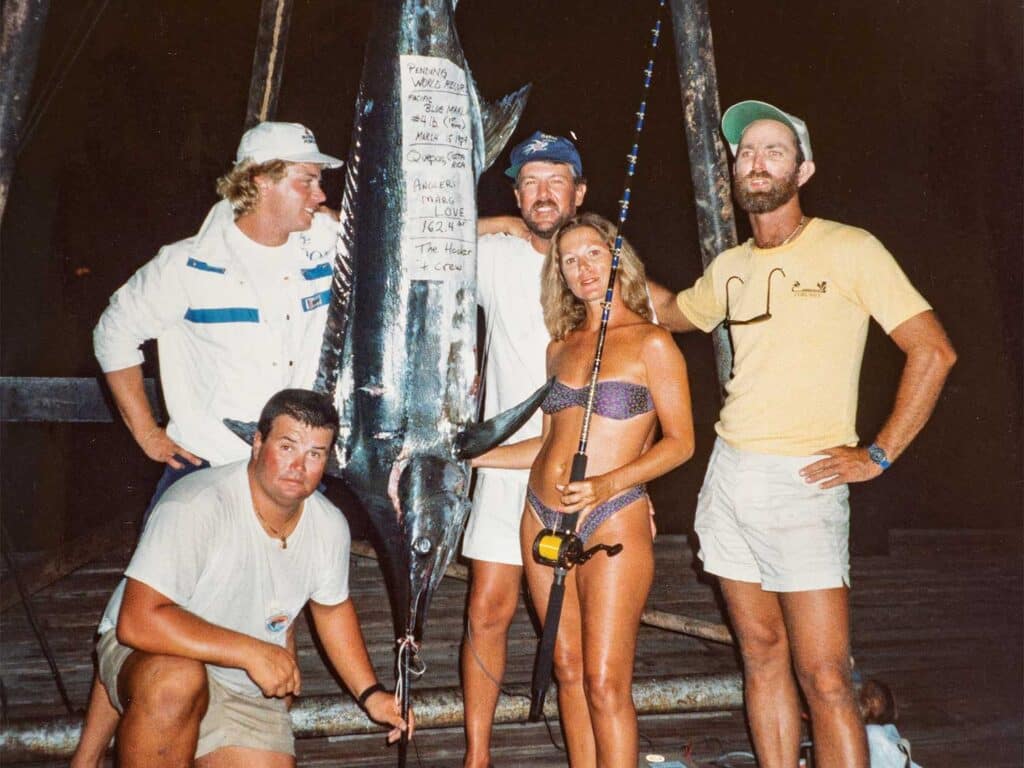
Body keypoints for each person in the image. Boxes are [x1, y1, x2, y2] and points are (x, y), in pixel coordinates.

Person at [648, 100, 956, 768]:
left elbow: (932, 351)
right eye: (746, 152)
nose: (756, 162)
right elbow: (673, 314)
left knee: (824, 677)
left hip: (806, 482)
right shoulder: (730, 267)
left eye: (773, 150)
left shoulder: (850, 248)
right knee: (759, 657)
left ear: (804, 169)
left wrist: (877, 454)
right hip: (730, 475)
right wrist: (609, 257)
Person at [73, 121, 343, 767]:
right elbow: (114, 334)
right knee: (150, 619)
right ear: (261, 181)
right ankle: (88, 755)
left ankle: (246, 722)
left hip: (288, 465)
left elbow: (399, 245)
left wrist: (501, 229)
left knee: (278, 607)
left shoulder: (327, 242)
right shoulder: (184, 265)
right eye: (306, 178)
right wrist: (146, 431)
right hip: (206, 474)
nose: (319, 193)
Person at [83, 389, 411, 766]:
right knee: (176, 681)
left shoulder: (329, 525)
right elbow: (137, 622)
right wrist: (252, 652)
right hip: (155, 652)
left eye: (315, 454)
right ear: (257, 443)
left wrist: (371, 694)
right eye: (287, 447)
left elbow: (332, 611)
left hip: (241, 681)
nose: (299, 466)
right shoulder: (195, 505)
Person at [474, 212, 694, 766]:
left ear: (618, 260)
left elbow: (681, 443)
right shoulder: (560, 347)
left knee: (603, 679)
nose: (582, 268)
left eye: (593, 254)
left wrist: (606, 484)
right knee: (566, 667)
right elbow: (548, 443)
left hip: (613, 515)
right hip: (539, 514)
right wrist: (474, 460)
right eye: (569, 260)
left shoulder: (654, 344)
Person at [460, 131, 588, 767]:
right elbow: (416, 236)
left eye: (556, 180)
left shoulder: (597, 262)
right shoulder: (497, 255)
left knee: (570, 641)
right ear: (515, 194)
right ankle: (477, 757)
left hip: (576, 472)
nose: (543, 194)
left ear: (579, 192)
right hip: (504, 463)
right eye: (530, 183)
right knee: (488, 608)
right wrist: (499, 223)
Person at [858, 679, 921, 768]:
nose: (866, 699)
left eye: (874, 693)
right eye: (862, 693)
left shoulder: (873, 735)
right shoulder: (874, 736)